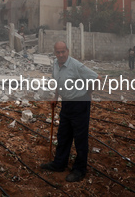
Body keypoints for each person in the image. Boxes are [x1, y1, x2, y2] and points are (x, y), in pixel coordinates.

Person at [41, 41, 98, 183]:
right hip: (66, 103)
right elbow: (58, 82)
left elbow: (96, 78)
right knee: (63, 135)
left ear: (68, 51)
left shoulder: (76, 65)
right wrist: (55, 97)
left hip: (80, 103)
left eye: (63, 52)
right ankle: (59, 164)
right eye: (58, 52)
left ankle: (79, 170)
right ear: (55, 53)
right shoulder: (55, 64)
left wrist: (88, 93)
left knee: (80, 138)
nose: (61, 55)